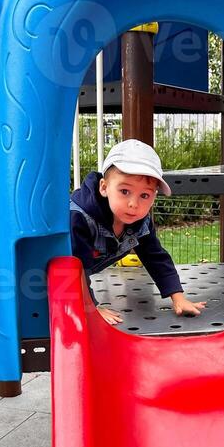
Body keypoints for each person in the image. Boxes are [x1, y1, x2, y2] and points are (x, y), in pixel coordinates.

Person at [70, 139, 206, 326]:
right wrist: (90, 308)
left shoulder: (139, 223)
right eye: (125, 191)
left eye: (144, 195)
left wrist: (178, 297)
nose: (134, 204)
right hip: (38, 276)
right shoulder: (79, 218)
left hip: (73, 275)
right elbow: (76, 269)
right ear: (104, 187)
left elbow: (155, 257)